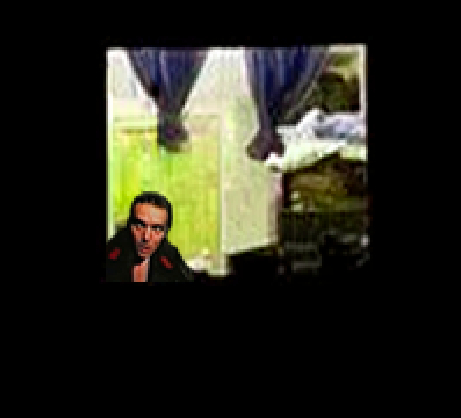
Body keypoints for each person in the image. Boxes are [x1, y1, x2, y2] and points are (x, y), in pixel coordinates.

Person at [105, 192, 194, 282]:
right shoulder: (110, 259)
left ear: (166, 232)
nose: (146, 237)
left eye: (157, 229)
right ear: (129, 225)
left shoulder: (170, 259)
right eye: (140, 225)